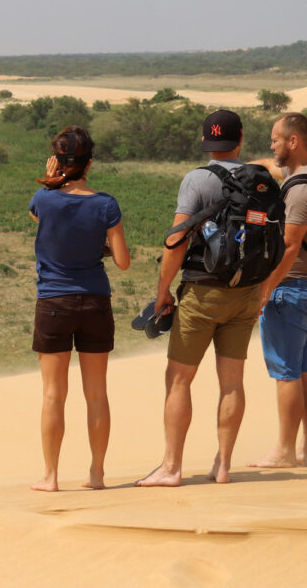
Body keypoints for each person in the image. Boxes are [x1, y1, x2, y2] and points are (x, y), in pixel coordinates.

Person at [137, 109, 259, 487]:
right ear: (240, 140)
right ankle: (223, 466)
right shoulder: (260, 179)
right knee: (232, 382)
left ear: (206, 142)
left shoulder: (197, 179)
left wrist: (162, 293)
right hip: (247, 292)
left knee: (178, 380)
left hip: (203, 292)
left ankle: (172, 467)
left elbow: (175, 242)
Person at [28, 125, 130, 492]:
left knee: (54, 394)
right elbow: (122, 262)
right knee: (97, 393)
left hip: (53, 302)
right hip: (94, 301)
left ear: (57, 161)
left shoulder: (42, 200)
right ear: (90, 163)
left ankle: (51, 477)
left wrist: (53, 182)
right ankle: (97, 474)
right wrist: (101, 241)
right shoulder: (106, 204)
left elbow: (42, 220)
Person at [248, 112, 307, 468]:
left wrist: (267, 288)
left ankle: (285, 450)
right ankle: (303, 448)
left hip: (290, 290)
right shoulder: (300, 179)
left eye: (276, 139)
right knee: (303, 371)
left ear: (294, 142)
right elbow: (271, 165)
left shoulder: (298, 192)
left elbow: (290, 245)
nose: (271, 145)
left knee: (286, 371)